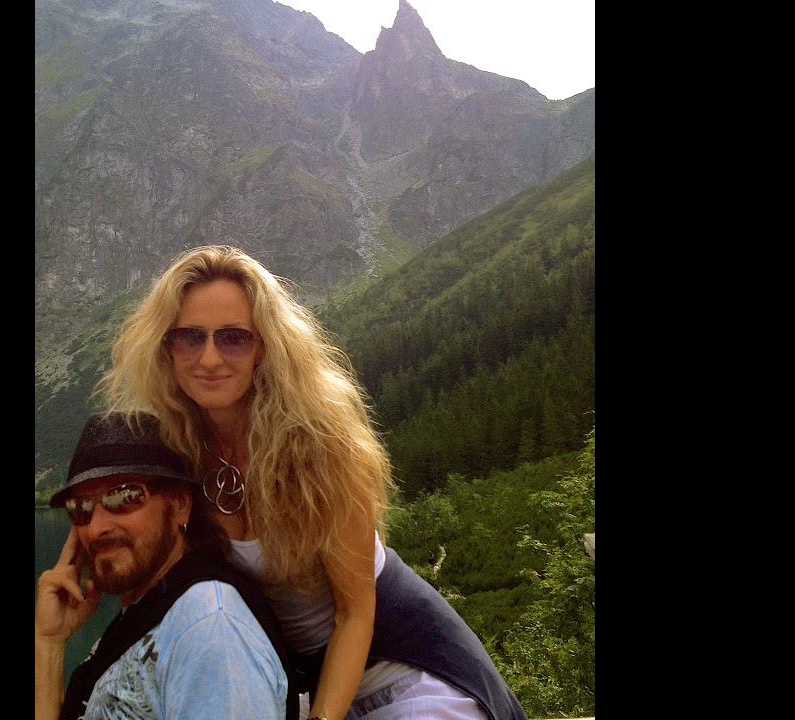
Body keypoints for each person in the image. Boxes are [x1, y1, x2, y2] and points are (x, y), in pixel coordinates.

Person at [99, 245, 529, 720]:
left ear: (266, 346)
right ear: (166, 348)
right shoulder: (173, 450)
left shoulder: (320, 445)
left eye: (234, 338)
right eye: (189, 337)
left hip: (404, 669)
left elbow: (354, 614)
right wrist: (62, 616)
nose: (210, 358)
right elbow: (133, 556)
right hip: (302, 683)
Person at [35, 412, 297, 720]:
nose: (95, 528)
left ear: (180, 505)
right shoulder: (148, 610)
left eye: (125, 496)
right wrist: (49, 642)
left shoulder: (210, 628)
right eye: (81, 507)